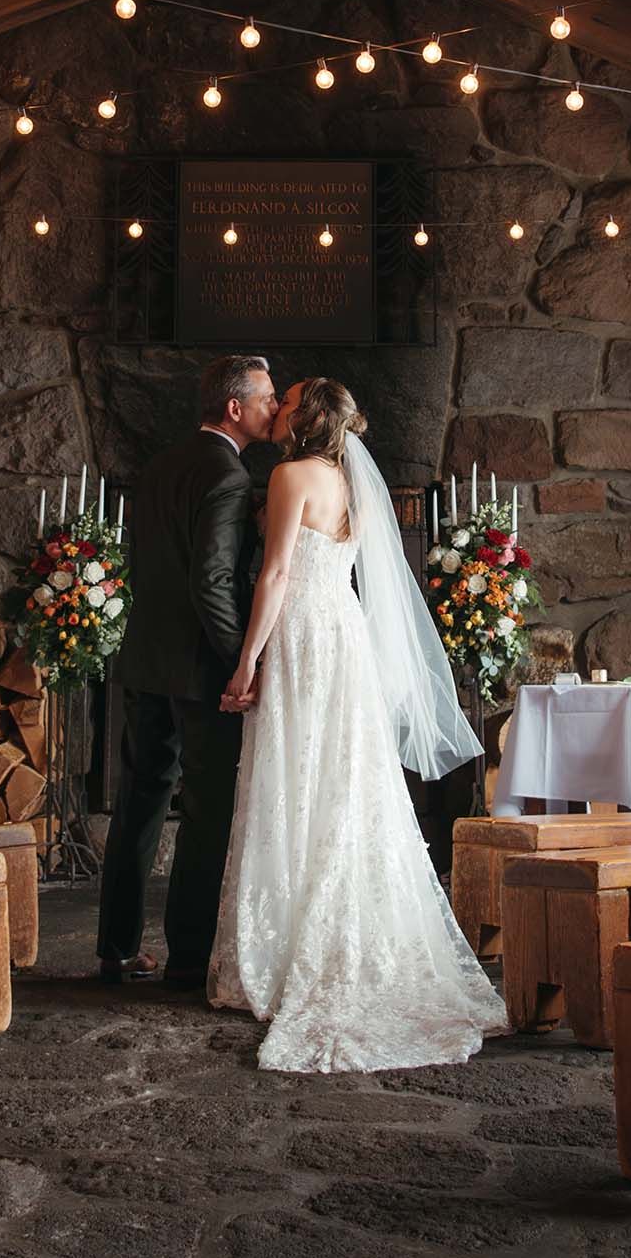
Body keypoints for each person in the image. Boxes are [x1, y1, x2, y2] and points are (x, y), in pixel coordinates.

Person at [208, 377, 507, 1071]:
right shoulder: (352, 484)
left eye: (285, 400)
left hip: (303, 636)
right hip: (345, 636)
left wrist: (246, 661)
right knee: (344, 779)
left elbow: (277, 573)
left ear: (302, 418)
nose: (276, 404)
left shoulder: (289, 476)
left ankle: (291, 948)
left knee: (297, 772)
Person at [94, 355, 279, 986]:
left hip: (144, 658)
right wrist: (239, 663)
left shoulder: (163, 464)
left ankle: (116, 948)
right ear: (235, 407)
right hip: (201, 670)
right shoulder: (226, 475)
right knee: (206, 811)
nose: (274, 407)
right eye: (266, 397)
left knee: (139, 803)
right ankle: (190, 958)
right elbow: (212, 582)